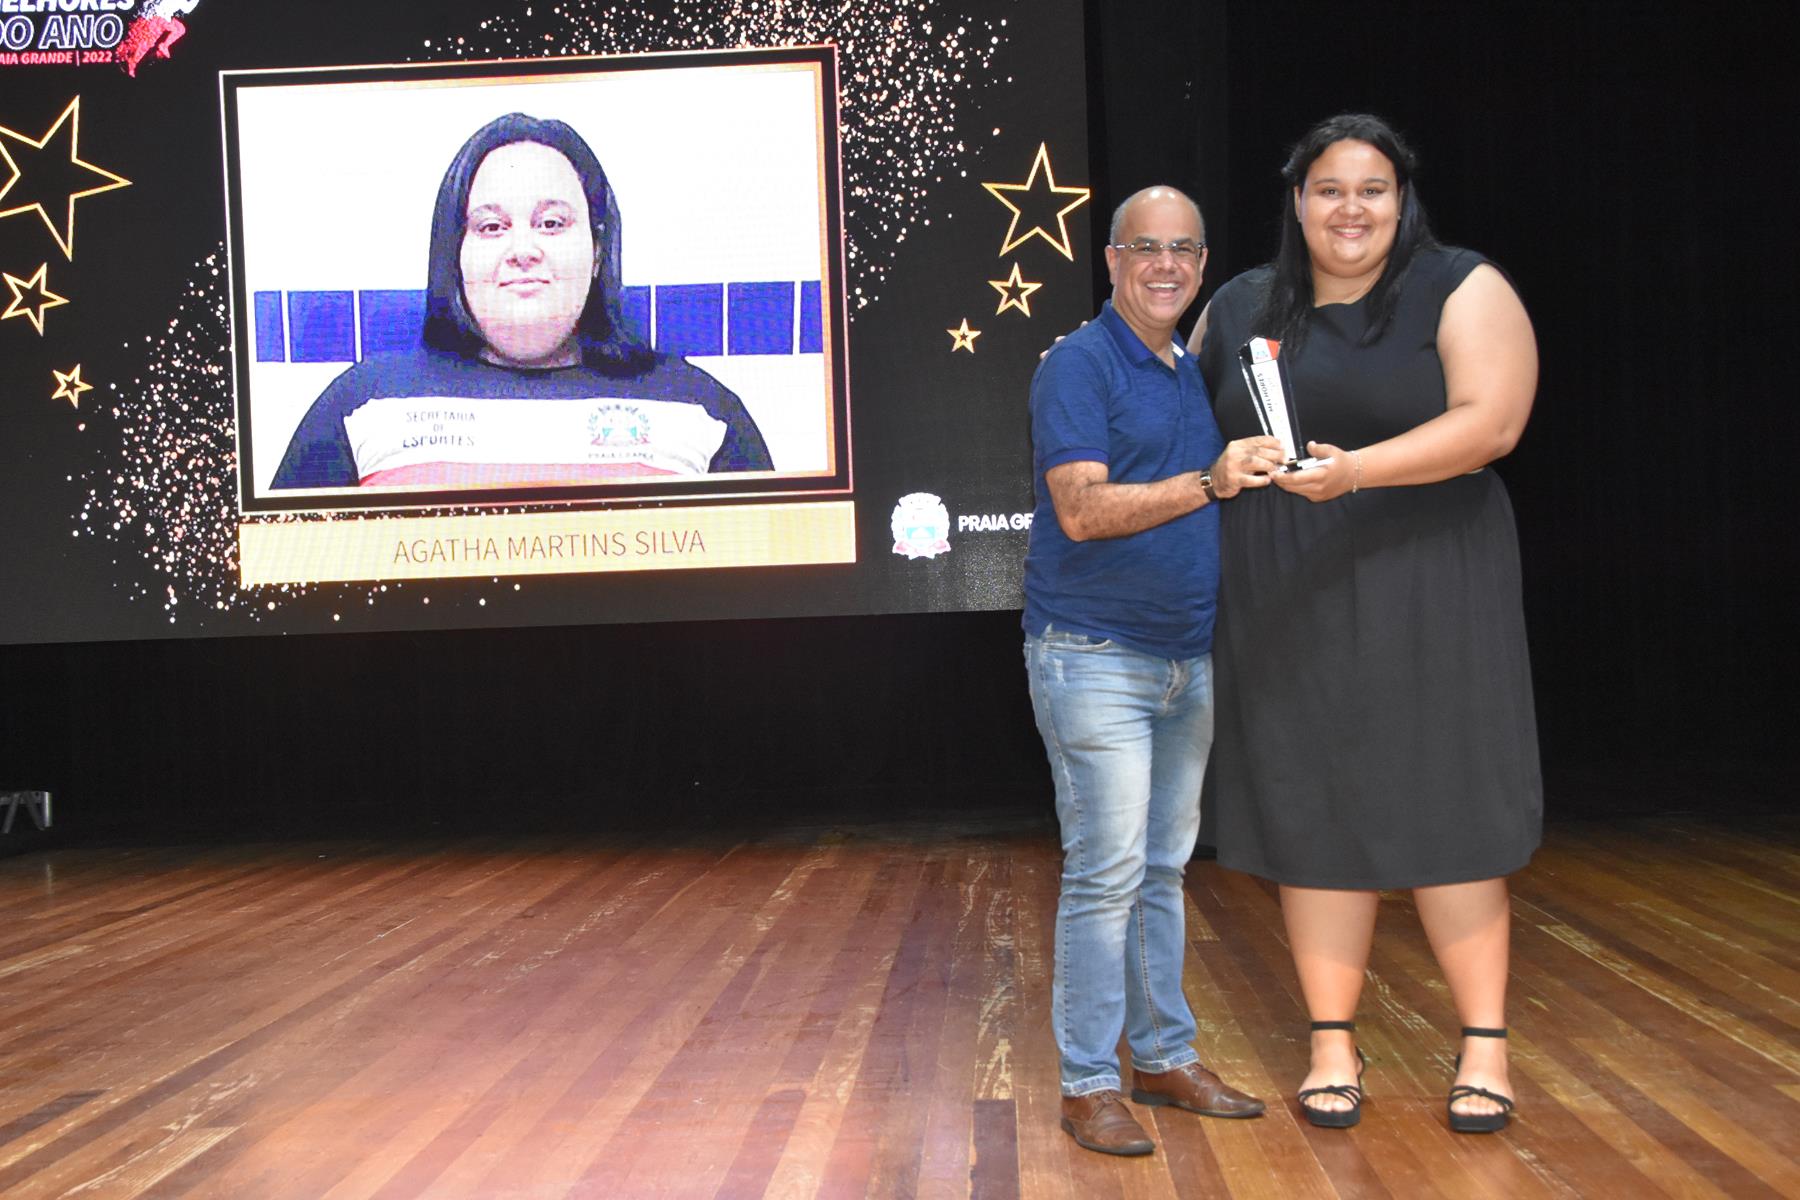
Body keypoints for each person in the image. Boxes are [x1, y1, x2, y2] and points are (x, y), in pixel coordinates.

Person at [1191, 113, 1541, 1133]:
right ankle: (1331, 1046)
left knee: (1449, 801)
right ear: (1297, 200)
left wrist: (1357, 472)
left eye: (1372, 189)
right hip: (1286, 588)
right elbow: (1177, 417)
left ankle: (1485, 1047)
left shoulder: (1462, 286)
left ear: (1403, 199)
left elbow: (1493, 421)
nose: (1351, 209)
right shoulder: (1241, 303)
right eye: (1329, 189)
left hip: (1431, 580)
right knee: (1315, 806)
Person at [1023, 185, 1282, 1156]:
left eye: (1183, 249)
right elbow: (1082, 510)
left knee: (1162, 871)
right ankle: (1089, 1083)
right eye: (1145, 248)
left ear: (1203, 264)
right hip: (1091, 655)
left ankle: (1164, 1057)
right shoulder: (1078, 365)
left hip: (1184, 659)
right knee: (1106, 875)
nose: (1165, 265)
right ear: (1112, 260)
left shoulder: (1191, 371)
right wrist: (1209, 481)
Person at [271, 112, 771, 490]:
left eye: (551, 223)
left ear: (598, 250)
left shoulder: (702, 411)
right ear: (455, 253)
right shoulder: (363, 405)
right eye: (492, 227)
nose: (523, 250)